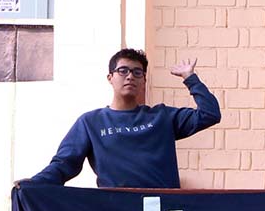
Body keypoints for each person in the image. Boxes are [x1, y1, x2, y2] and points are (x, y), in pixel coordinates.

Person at [29, 48, 221, 188]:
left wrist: (190, 77)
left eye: (137, 72)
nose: (130, 76)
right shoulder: (91, 122)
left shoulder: (162, 117)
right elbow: (64, 164)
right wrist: (32, 185)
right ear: (110, 77)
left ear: (144, 80)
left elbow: (209, 114)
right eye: (123, 71)